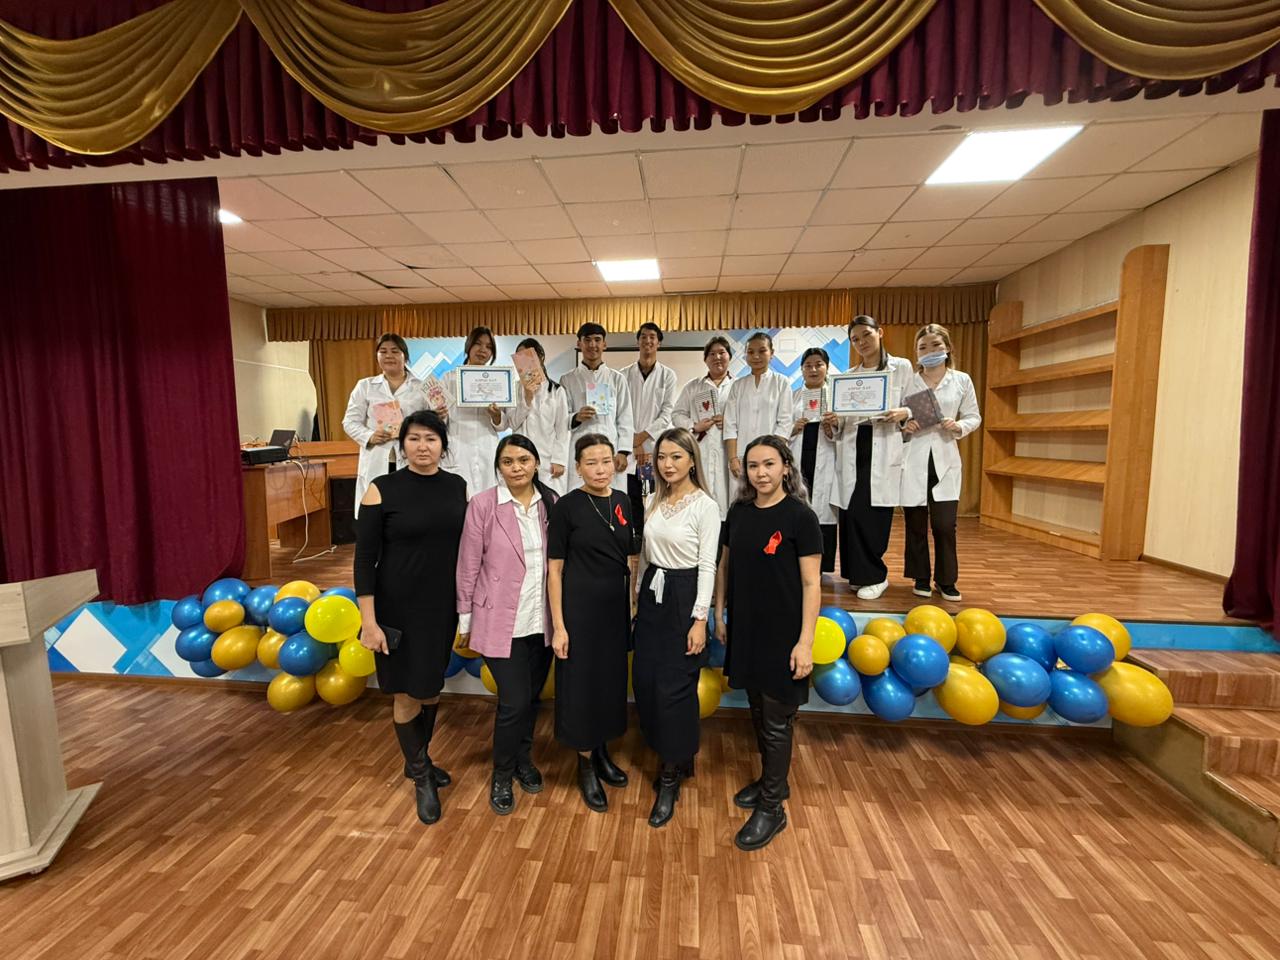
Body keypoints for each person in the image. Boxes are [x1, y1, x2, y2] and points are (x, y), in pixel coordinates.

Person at [354, 410, 468, 825]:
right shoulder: (381, 490)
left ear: (443, 445)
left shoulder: (456, 487)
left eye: (431, 439)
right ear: (402, 445)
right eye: (415, 439)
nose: (423, 446)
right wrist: (369, 622)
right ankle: (421, 776)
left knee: (431, 686)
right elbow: (364, 560)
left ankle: (420, 759)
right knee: (406, 693)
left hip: (441, 606)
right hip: (396, 608)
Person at [714, 435, 821, 852]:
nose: (760, 473)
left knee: (777, 720)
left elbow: (811, 584)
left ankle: (773, 807)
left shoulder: (800, 517)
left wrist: (805, 642)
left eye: (769, 464)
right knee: (758, 710)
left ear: (786, 468)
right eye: (753, 466)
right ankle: (772, 782)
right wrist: (720, 611)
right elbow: (725, 565)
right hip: (746, 628)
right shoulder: (739, 511)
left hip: (783, 633)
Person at [456, 435, 558, 816]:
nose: (516, 468)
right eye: (508, 462)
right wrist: (465, 617)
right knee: (514, 702)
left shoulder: (551, 502)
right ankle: (501, 774)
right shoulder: (484, 505)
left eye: (524, 460)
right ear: (498, 466)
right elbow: (468, 563)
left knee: (531, 699)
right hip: (500, 619)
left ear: (536, 463)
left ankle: (523, 761)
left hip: (541, 618)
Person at [632, 428, 721, 828]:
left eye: (676, 457)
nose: (667, 464)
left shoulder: (705, 506)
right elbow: (646, 556)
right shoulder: (653, 499)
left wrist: (700, 618)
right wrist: (637, 599)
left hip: (685, 596)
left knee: (675, 689)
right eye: (662, 457)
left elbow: (707, 565)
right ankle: (676, 753)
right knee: (647, 680)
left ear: (691, 460)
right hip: (654, 593)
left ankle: (671, 774)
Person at [547, 433, 640, 813]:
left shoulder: (623, 501)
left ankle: (601, 752)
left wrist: (631, 605)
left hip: (613, 612)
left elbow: (631, 559)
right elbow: (555, 571)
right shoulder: (566, 507)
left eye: (606, 461)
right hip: (579, 612)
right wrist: (559, 625)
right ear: (578, 467)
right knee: (582, 688)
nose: (600, 469)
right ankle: (584, 765)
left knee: (608, 685)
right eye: (591, 463)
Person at [828, 315, 914, 601]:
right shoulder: (848, 376)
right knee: (852, 513)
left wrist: (903, 412)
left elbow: (922, 405)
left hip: (883, 445)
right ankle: (857, 574)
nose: (861, 342)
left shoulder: (901, 367)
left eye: (866, 335)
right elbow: (842, 422)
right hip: (853, 446)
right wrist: (834, 421)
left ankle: (876, 576)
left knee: (873, 515)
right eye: (855, 339)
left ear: (880, 332)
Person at [900, 324, 982, 603]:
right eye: (923, 347)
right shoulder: (910, 382)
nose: (929, 351)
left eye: (935, 345)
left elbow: (973, 416)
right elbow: (898, 418)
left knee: (945, 525)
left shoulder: (961, 380)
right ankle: (920, 577)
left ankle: (946, 580)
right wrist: (905, 426)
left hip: (945, 459)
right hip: (914, 458)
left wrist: (958, 426)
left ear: (947, 348)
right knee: (915, 523)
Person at [343, 333, 425, 516]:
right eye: (383, 351)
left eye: (395, 351)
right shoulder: (365, 386)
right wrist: (369, 436)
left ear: (405, 356)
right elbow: (349, 421)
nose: (389, 356)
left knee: (408, 511)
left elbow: (431, 423)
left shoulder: (421, 387)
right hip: (377, 456)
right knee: (376, 510)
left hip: (410, 456)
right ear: (377, 356)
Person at [560, 323, 634, 494]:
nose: (592, 345)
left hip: (611, 447)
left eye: (597, 340)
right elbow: (562, 418)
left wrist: (623, 452)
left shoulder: (617, 379)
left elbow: (625, 418)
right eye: (587, 340)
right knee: (580, 496)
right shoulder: (567, 380)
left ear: (604, 344)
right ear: (579, 344)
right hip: (580, 446)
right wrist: (577, 417)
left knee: (612, 496)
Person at [433, 325, 503, 497]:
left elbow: (504, 424)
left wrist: (496, 416)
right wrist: (440, 415)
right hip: (458, 444)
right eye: (478, 344)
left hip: (487, 444)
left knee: (488, 498)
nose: (483, 350)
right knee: (459, 497)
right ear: (468, 346)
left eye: (489, 347)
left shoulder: (498, 380)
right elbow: (438, 419)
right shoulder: (450, 378)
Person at [672, 336, 735, 527]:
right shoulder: (693, 387)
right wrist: (694, 426)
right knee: (699, 503)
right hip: (701, 449)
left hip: (728, 452)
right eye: (712, 354)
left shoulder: (737, 386)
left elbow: (747, 418)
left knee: (728, 502)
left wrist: (729, 421)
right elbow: (677, 414)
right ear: (705, 359)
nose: (717, 357)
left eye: (722, 353)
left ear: (729, 356)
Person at [623, 322, 677, 539]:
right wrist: (633, 442)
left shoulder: (668, 376)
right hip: (628, 450)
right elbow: (622, 412)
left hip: (653, 448)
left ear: (659, 343)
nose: (648, 341)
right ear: (638, 341)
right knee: (631, 498)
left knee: (654, 497)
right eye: (643, 337)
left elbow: (666, 413)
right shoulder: (624, 375)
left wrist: (641, 439)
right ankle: (635, 543)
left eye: (652, 337)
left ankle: (654, 540)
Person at [789, 347, 839, 573]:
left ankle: (821, 566)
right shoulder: (793, 397)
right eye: (808, 365)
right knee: (799, 511)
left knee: (823, 513)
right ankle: (797, 563)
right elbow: (781, 428)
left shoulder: (834, 396)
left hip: (826, 458)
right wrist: (793, 428)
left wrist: (832, 428)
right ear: (802, 369)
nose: (813, 369)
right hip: (799, 457)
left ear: (827, 367)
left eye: (819, 364)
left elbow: (844, 433)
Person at [723, 331, 793, 483]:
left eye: (762, 351)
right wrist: (732, 458)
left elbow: (785, 423)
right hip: (741, 457)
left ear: (771, 353)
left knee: (768, 494)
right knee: (741, 495)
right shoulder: (738, 385)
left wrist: (773, 456)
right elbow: (730, 425)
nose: (756, 356)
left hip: (770, 457)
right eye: (750, 352)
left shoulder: (781, 382)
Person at [505, 338, 570, 494]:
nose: (524, 361)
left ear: (540, 357)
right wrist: (527, 398)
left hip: (548, 462)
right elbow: (512, 423)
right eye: (519, 357)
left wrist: (559, 460)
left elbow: (562, 428)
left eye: (528, 356)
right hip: (520, 458)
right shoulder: (514, 389)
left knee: (551, 502)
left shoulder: (556, 391)